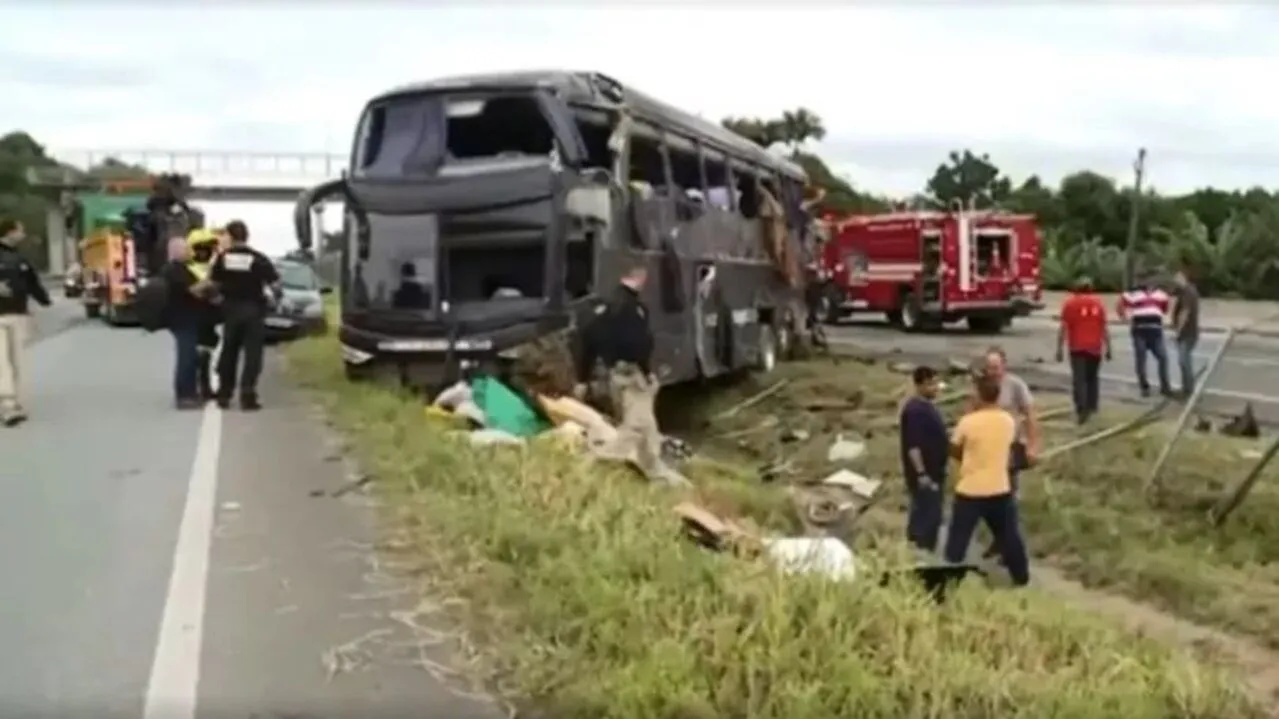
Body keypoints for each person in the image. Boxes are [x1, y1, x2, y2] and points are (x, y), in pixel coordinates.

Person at [577, 264, 687, 486]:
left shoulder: (605, 308)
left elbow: (588, 340)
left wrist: (583, 377)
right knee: (637, 425)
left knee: (647, 427)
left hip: (615, 373)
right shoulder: (635, 309)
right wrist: (647, 372)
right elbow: (639, 344)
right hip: (632, 374)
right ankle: (600, 461)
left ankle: (655, 471)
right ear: (638, 278)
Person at [943, 371, 1031, 587]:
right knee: (1009, 536)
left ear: (978, 396)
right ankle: (1021, 577)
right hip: (1000, 487)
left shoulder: (968, 422)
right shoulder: (1007, 421)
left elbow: (954, 449)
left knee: (958, 539)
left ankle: (947, 579)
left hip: (971, 489)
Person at [208, 220, 279, 411]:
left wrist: (217, 300)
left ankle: (224, 394)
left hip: (231, 310)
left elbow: (212, 285)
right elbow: (275, 285)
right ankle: (248, 396)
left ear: (230, 236)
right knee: (252, 356)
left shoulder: (222, 258)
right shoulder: (259, 258)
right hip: (254, 310)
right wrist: (273, 301)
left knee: (229, 352)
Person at [977, 347, 1040, 561]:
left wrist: (1032, 445)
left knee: (1008, 498)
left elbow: (1030, 415)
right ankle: (1000, 538)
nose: (992, 372)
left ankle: (1009, 547)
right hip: (986, 449)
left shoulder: (1015, 385)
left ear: (1004, 366)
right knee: (985, 499)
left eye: (996, 367)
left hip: (1010, 448)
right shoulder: (981, 387)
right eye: (989, 368)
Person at [0, 220, 52, 426]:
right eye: (20, 230)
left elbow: (32, 283)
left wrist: (44, 300)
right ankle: (8, 403)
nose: (23, 234)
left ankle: (14, 399)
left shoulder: (21, 259)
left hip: (18, 314)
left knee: (17, 361)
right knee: (1, 360)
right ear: (10, 232)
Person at [162, 237, 218, 410]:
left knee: (192, 356)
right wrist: (209, 280)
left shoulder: (182, 269)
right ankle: (185, 396)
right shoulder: (173, 270)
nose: (190, 252)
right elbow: (192, 290)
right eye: (186, 249)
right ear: (176, 251)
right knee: (186, 357)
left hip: (189, 318)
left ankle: (193, 391)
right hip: (182, 319)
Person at [898, 366, 948, 553]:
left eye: (936, 383)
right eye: (930, 384)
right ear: (919, 385)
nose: (935, 388)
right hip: (925, 475)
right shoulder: (915, 411)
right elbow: (913, 446)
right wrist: (921, 473)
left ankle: (923, 550)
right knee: (926, 517)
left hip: (935, 472)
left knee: (931, 516)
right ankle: (919, 553)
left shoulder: (928, 407)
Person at [1055, 276, 1111, 423]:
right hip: (1095, 347)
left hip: (1077, 347)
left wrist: (1059, 348)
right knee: (1092, 378)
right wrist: (1109, 347)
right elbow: (1104, 327)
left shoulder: (1070, 304)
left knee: (1079, 379)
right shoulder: (1099, 304)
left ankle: (1081, 408)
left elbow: (1064, 327)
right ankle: (1092, 406)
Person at [1117, 275, 1173, 398]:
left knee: (1163, 357)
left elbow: (1165, 309)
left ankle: (1165, 386)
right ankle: (1144, 386)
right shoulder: (1134, 294)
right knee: (1141, 360)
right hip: (1139, 331)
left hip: (1156, 331)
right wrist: (1125, 318)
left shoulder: (1161, 295)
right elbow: (1121, 304)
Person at [185, 228, 224, 401]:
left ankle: (206, 387)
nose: (205, 252)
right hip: (195, 317)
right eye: (201, 247)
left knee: (209, 355)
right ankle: (199, 388)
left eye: (208, 248)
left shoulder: (215, 268)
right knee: (197, 356)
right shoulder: (188, 270)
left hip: (213, 318)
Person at [1171, 267, 1201, 397]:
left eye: (1177, 278)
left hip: (1187, 333)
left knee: (1184, 361)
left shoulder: (1188, 291)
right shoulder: (1184, 292)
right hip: (1186, 333)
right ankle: (1186, 388)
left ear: (1183, 277)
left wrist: (1178, 331)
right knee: (1183, 361)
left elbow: (1185, 312)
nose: (1175, 281)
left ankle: (1189, 390)